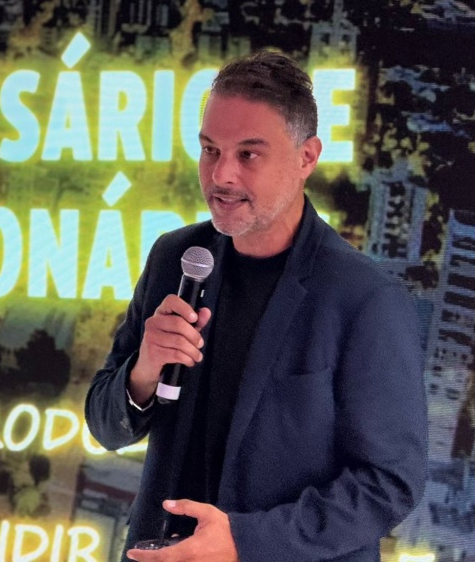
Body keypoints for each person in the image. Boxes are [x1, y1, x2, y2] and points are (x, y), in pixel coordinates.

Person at [84, 51, 427, 562]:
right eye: (210, 150)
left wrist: (245, 541)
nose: (221, 175)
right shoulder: (175, 258)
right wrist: (143, 372)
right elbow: (103, 425)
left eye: (248, 154)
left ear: (307, 157)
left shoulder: (365, 298)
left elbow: (388, 483)